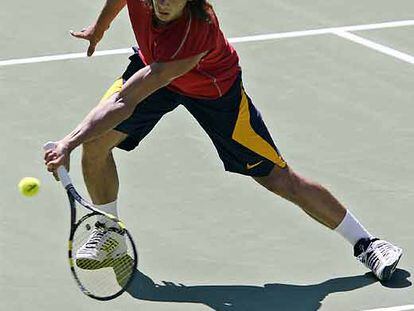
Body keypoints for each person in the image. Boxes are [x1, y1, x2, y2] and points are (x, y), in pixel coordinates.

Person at [44, 0, 402, 281]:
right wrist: (100, 28)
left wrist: (66, 143)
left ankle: (367, 243)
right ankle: (110, 233)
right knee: (97, 143)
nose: (164, 3)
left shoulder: (194, 32)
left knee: (278, 178)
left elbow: (125, 101)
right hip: (152, 66)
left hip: (213, 91)